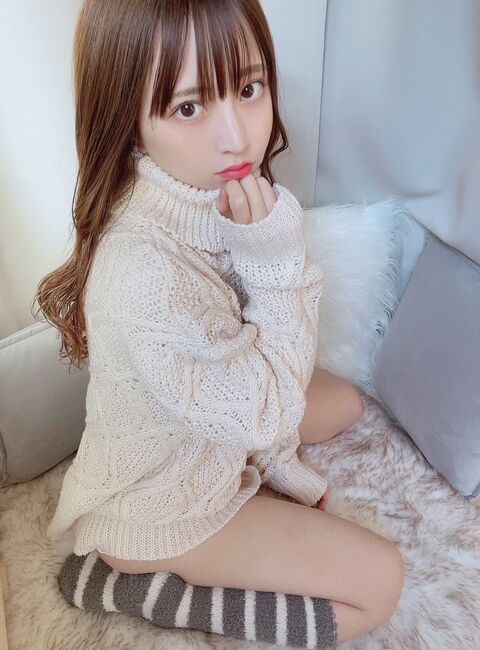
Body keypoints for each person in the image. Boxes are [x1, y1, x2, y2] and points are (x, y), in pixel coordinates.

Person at [35, 0, 404, 645]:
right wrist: (274, 258)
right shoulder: (142, 274)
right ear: (129, 120)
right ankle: (131, 584)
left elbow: (265, 372)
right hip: (164, 503)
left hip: (215, 425)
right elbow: (267, 407)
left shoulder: (206, 192)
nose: (237, 137)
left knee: (344, 403)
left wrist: (279, 459)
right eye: (189, 107)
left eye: (249, 88)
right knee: (381, 586)